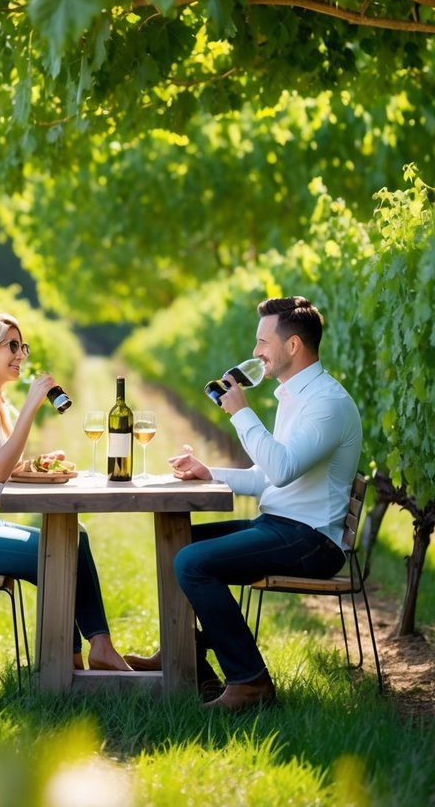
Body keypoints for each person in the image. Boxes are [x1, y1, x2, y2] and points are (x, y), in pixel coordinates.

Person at [126, 295, 362, 711]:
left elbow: (283, 468)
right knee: (177, 544)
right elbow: (265, 474)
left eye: (263, 343)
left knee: (191, 562)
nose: (255, 353)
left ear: (292, 346)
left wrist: (241, 414)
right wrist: (209, 472)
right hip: (281, 526)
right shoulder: (294, 396)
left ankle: (250, 681)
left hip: (312, 541)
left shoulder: (327, 403)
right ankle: (188, 655)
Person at [0, 311, 130, 673]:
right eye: (12, 346)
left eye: (23, 346)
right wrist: (31, 407)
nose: (21, 354)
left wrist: (36, 465)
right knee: (56, 550)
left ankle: (94, 649)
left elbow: (1, 467)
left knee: (73, 539)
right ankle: (66, 667)